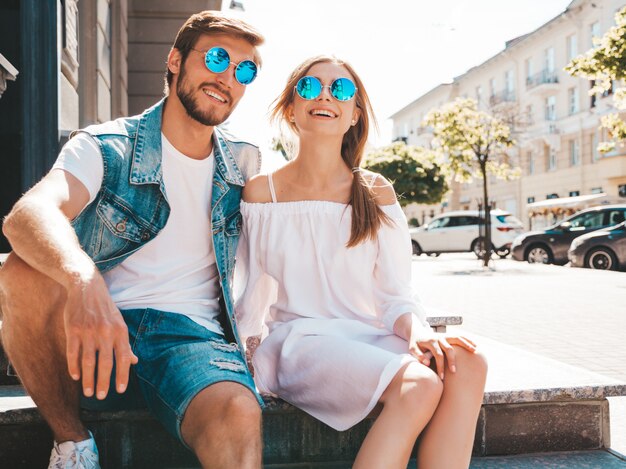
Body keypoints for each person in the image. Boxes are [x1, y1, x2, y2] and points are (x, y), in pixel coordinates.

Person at [0, 11, 265, 469]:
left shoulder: (244, 163)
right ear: (176, 60)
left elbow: (301, 231)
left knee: (238, 411)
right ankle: (73, 445)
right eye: (218, 58)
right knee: (22, 270)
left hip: (192, 342)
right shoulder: (107, 146)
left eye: (244, 71)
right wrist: (83, 279)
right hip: (93, 337)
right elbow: (27, 216)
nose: (228, 78)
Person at [236, 56, 488, 469]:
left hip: (361, 336)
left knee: (468, 362)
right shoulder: (262, 193)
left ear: (354, 114)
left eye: (340, 89)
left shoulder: (373, 190)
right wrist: (243, 357)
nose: (324, 95)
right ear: (290, 108)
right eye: (309, 86)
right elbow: (250, 287)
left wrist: (419, 332)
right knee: (419, 385)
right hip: (297, 341)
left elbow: (394, 293)